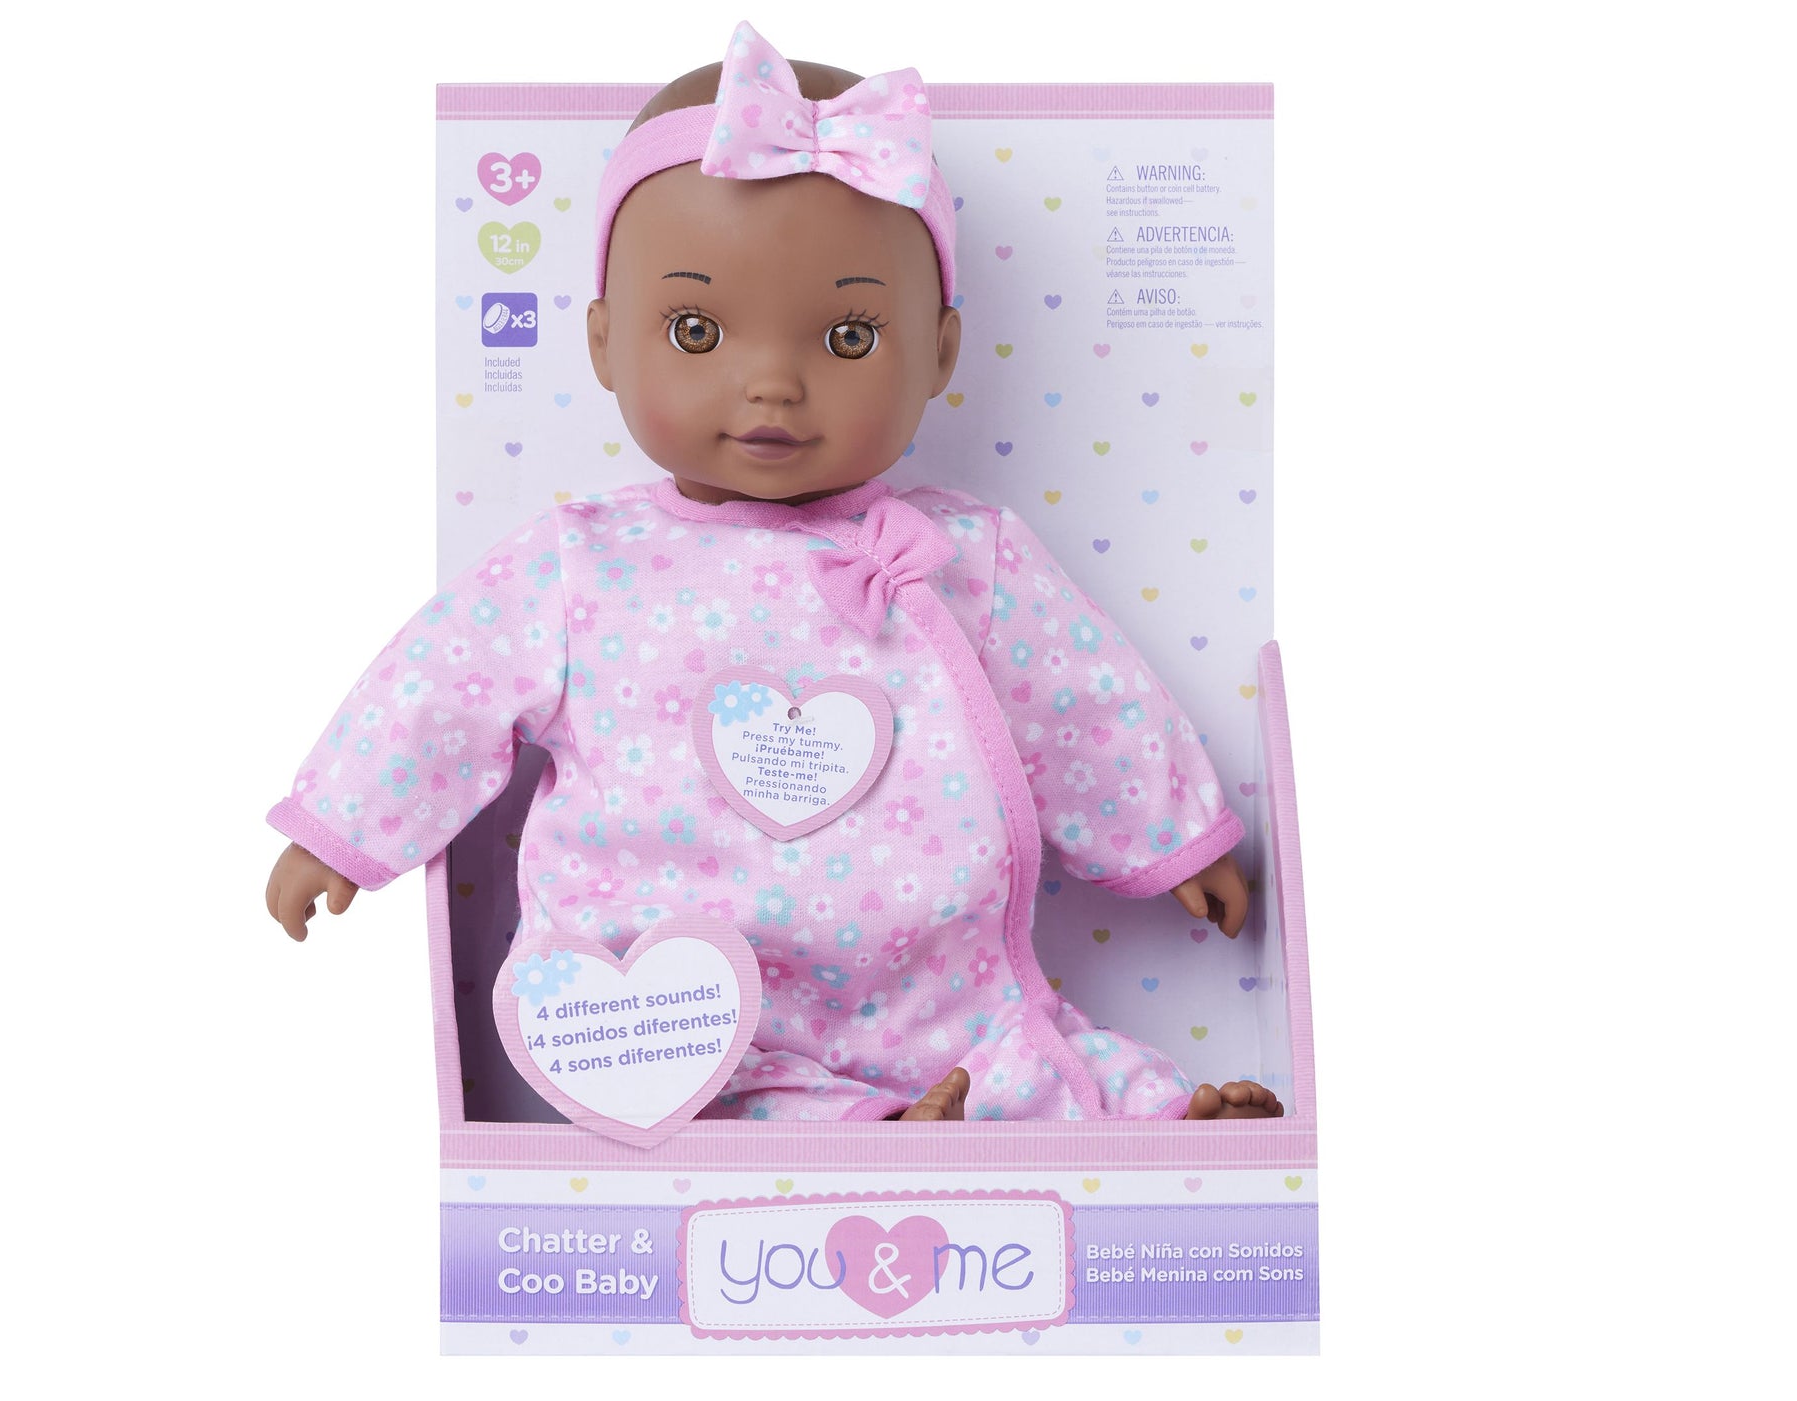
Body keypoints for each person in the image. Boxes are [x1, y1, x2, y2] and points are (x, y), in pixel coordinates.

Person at [265, 20, 1280, 1124]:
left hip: (928, 973)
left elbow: (1080, 696)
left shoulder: (960, 554)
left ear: (938, 352)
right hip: (670, 992)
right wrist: (343, 831)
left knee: (1021, 1058)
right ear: (603, 341)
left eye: (847, 338)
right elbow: (438, 684)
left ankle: (1158, 1124)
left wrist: (1173, 833)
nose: (772, 385)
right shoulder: (580, 563)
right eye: (697, 331)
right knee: (693, 1097)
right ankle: (874, 1134)